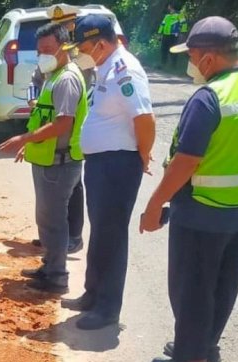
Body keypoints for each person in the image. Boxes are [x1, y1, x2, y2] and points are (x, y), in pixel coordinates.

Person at [140, 17, 238, 362]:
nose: (190, 63)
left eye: (191, 56)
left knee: (192, 286)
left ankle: (191, 360)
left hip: (203, 212)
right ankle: (205, 345)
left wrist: (154, 204)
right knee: (224, 283)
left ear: (208, 58)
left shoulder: (210, 98)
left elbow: (186, 161)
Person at [63, 15, 156, 330]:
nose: (80, 53)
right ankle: (93, 294)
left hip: (118, 165)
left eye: (83, 47)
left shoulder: (124, 70)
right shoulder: (105, 67)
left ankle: (107, 309)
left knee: (112, 236)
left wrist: (143, 155)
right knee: (101, 232)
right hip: (103, 164)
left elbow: (144, 119)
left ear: (100, 44)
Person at [0, 22, 88, 293]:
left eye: (47, 50)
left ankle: (57, 277)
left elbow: (63, 124)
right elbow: (44, 116)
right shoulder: (54, 74)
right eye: (39, 51)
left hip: (59, 163)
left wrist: (23, 139)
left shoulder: (66, 79)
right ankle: (49, 267)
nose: (42, 56)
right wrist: (31, 145)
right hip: (49, 159)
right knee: (47, 221)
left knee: (54, 223)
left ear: (64, 47)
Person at [29, 3, 87, 254]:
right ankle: (53, 242)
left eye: (67, 24)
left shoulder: (82, 57)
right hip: (51, 132)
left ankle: (72, 237)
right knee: (52, 206)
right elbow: (35, 81)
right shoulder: (49, 60)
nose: (65, 27)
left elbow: (89, 93)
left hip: (72, 134)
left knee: (72, 191)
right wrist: (33, 101)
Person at [158, 4, 188, 68]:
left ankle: (173, 66)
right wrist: (159, 33)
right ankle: (163, 64)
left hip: (174, 35)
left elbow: (184, 24)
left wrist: (182, 33)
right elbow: (162, 25)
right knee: (163, 50)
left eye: (169, 6)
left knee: (173, 50)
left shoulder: (179, 15)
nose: (168, 8)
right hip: (165, 35)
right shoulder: (167, 16)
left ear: (172, 7)